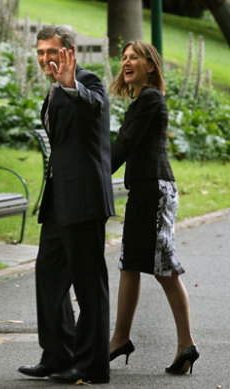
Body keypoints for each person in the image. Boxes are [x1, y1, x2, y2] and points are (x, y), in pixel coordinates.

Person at [18, 25, 115, 384]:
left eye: (52, 52)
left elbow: (94, 108)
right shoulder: (54, 89)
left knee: (89, 284)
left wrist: (73, 84)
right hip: (59, 202)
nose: (45, 58)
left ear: (69, 52)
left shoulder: (86, 83)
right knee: (49, 274)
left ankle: (92, 366)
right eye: (40, 52)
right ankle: (58, 355)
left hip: (84, 201)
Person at [108, 40, 199, 375]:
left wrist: (97, 175)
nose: (127, 61)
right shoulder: (144, 100)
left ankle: (182, 343)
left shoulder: (149, 99)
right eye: (124, 57)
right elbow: (124, 144)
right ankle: (121, 338)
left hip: (154, 191)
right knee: (131, 263)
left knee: (162, 267)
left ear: (150, 64)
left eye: (135, 57)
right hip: (147, 190)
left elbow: (124, 145)